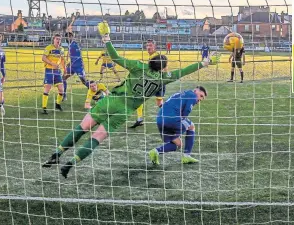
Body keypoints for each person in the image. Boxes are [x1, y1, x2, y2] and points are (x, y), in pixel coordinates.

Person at [42, 21, 220, 178]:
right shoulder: (163, 78)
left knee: (82, 128)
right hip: (124, 111)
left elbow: (115, 57)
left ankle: (58, 152)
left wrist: (106, 38)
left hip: (111, 101)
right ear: (162, 68)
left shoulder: (138, 67)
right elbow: (184, 71)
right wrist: (204, 63)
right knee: (97, 138)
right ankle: (71, 164)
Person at [148, 86, 207, 165]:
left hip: (160, 119)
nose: (200, 99)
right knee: (191, 126)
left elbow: (166, 105)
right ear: (195, 90)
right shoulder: (192, 95)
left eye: (202, 99)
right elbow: (185, 112)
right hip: (172, 119)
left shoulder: (181, 93)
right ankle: (187, 156)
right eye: (201, 96)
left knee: (178, 144)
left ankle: (155, 151)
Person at [130, 39, 166, 128]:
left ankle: (139, 119)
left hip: (156, 83)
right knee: (159, 103)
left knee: (138, 97)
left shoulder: (156, 56)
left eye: (150, 45)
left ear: (155, 46)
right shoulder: (153, 56)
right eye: (147, 46)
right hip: (158, 83)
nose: (148, 47)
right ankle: (168, 116)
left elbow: (163, 69)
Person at [41, 34, 66, 114]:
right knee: (47, 88)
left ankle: (57, 104)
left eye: (59, 39)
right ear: (54, 39)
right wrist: (52, 64)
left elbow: (62, 59)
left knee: (61, 90)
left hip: (57, 71)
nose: (58, 40)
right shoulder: (49, 48)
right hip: (49, 70)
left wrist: (65, 68)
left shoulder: (62, 49)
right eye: (57, 39)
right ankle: (44, 108)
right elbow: (43, 58)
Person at [63, 32, 88, 100]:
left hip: (78, 66)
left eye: (69, 37)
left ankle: (97, 92)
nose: (67, 38)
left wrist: (72, 63)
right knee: (63, 78)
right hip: (72, 66)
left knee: (84, 81)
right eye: (66, 37)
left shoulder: (75, 45)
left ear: (71, 37)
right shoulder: (70, 45)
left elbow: (78, 56)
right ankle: (64, 95)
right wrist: (70, 63)